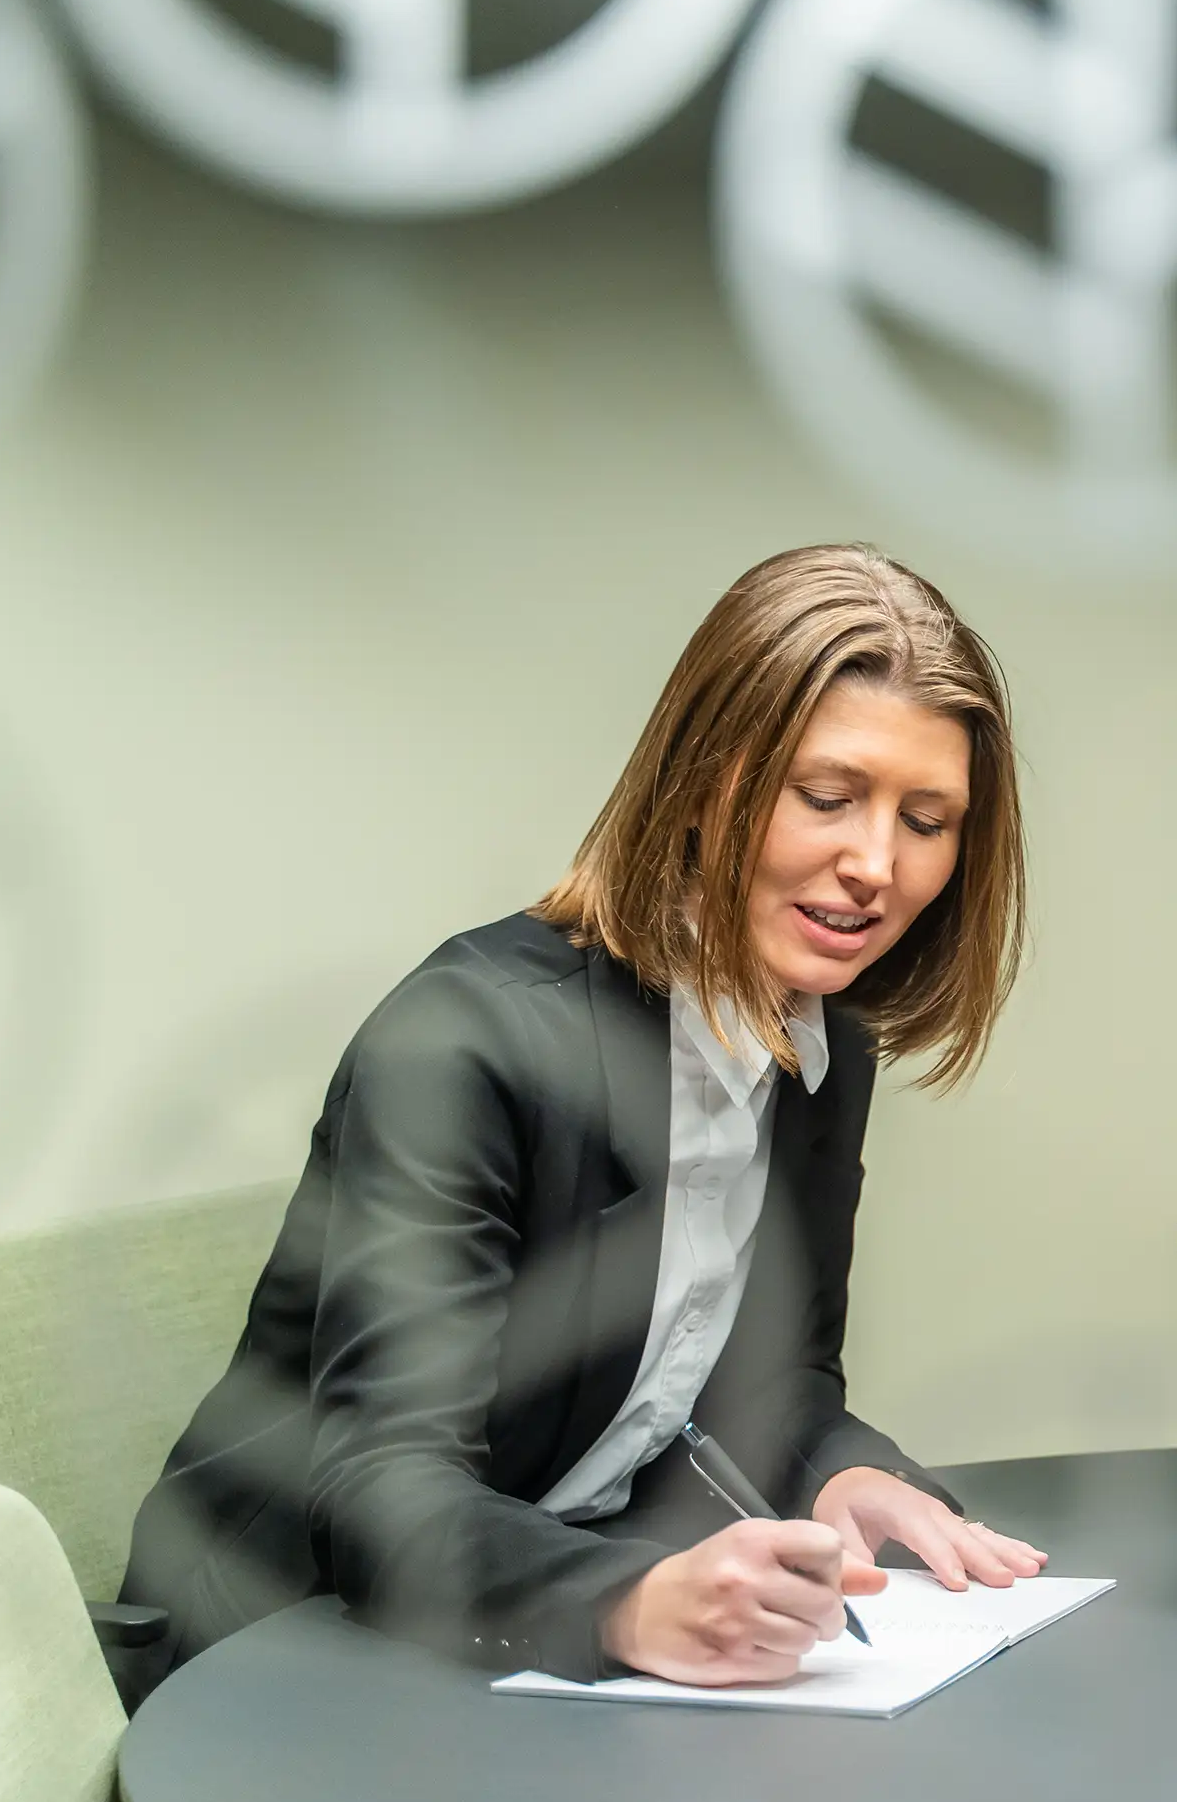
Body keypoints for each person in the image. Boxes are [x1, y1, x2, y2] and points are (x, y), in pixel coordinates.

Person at [123, 545, 1049, 1689]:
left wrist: (843, 1468)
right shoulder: (464, 1037)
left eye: (928, 818)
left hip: (530, 1643)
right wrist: (629, 1600)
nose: (877, 864)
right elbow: (381, 1483)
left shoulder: (823, 1040)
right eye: (827, 796)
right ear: (709, 777)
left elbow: (777, 1382)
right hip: (289, 1648)